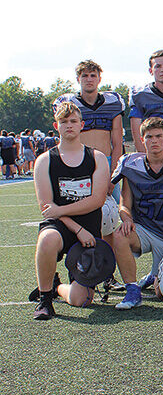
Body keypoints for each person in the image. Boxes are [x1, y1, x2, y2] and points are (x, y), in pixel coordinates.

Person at [31, 102, 135, 319]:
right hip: (62, 226)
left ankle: (58, 286)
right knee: (47, 239)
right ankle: (45, 299)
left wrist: (62, 212)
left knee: (81, 300)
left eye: (73, 121)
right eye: (63, 122)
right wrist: (76, 228)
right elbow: (47, 208)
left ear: (82, 125)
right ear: (56, 125)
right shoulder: (44, 161)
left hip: (89, 226)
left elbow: (97, 200)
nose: (69, 126)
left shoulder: (96, 158)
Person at [109, 117, 163, 308]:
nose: (154, 141)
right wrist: (126, 218)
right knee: (120, 235)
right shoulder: (131, 164)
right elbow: (124, 203)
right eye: (149, 137)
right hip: (143, 229)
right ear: (142, 139)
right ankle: (132, 290)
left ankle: (154, 275)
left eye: (158, 136)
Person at [53, 60, 125, 203]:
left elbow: (117, 143)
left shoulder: (113, 102)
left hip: (106, 160)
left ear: (99, 79)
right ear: (78, 79)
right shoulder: (68, 103)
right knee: (77, 204)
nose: (89, 79)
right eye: (85, 75)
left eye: (93, 75)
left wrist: (113, 174)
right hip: (78, 161)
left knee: (116, 208)